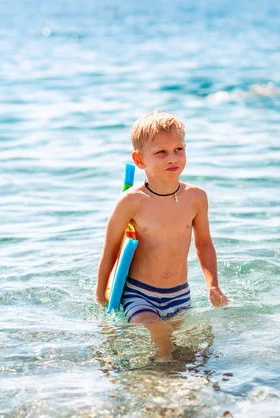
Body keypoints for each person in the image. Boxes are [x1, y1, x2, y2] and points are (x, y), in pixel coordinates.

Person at [96, 109, 228, 360]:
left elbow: (204, 245)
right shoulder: (131, 201)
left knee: (191, 354)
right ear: (139, 160)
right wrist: (101, 294)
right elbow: (111, 249)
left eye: (179, 149)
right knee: (161, 338)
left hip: (179, 295)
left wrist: (213, 286)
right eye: (161, 152)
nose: (173, 158)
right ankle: (157, 386)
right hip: (138, 293)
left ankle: (172, 385)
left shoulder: (196, 197)